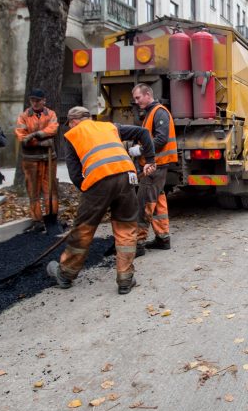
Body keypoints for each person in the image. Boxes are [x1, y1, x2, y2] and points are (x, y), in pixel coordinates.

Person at [46, 106, 156, 294]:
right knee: (126, 228)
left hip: (98, 180)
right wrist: (151, 160)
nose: (70, 127)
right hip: (126, 176)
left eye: (69, 124)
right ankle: (125, 278)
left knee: (84, 228)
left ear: (73, 121)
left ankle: (65, 274)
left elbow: (75, 174)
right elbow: (144, 132)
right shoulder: (110, 127)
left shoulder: (72, 135)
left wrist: (91, 196)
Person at [131, 83, 178, 251]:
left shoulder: (159, 112)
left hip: (154, 166)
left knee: (144, 203)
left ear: (147, 95)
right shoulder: (151, 113)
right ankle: (163, 239)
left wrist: (140, 150)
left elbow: (160, 139)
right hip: (156, 165)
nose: (136, 102)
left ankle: (138, 244)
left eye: (138, 97)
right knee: (158, 202)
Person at [15, 89, 61, 235]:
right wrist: (40, 142)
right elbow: (22, 137)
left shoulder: (51, 114)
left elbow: (53, 129)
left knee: (50, 189)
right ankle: (37, 220)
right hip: (31, 159)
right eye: (32, 100)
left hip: (49, 158)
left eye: (37, 100)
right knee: (33, 190)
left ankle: (52, 217)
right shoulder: (23, 117)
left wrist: (35, 134)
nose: (35, 103)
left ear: (43, 101)